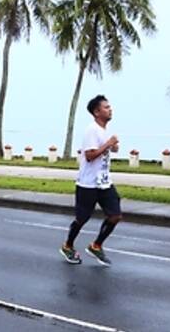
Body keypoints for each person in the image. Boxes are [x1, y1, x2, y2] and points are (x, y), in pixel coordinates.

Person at [59, 95, 122, 266]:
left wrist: (113, 146)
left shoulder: (104, 130)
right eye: (106, 107)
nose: (110, 109)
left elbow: (106, 150)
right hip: (88, 184)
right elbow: (89, 156)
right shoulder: (91, 130)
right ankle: (67, 246)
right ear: (96, 112)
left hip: (104, 182)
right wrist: (108, 144)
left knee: (115, 215)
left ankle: (96, 245)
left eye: (110, 107)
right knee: (82, 219)